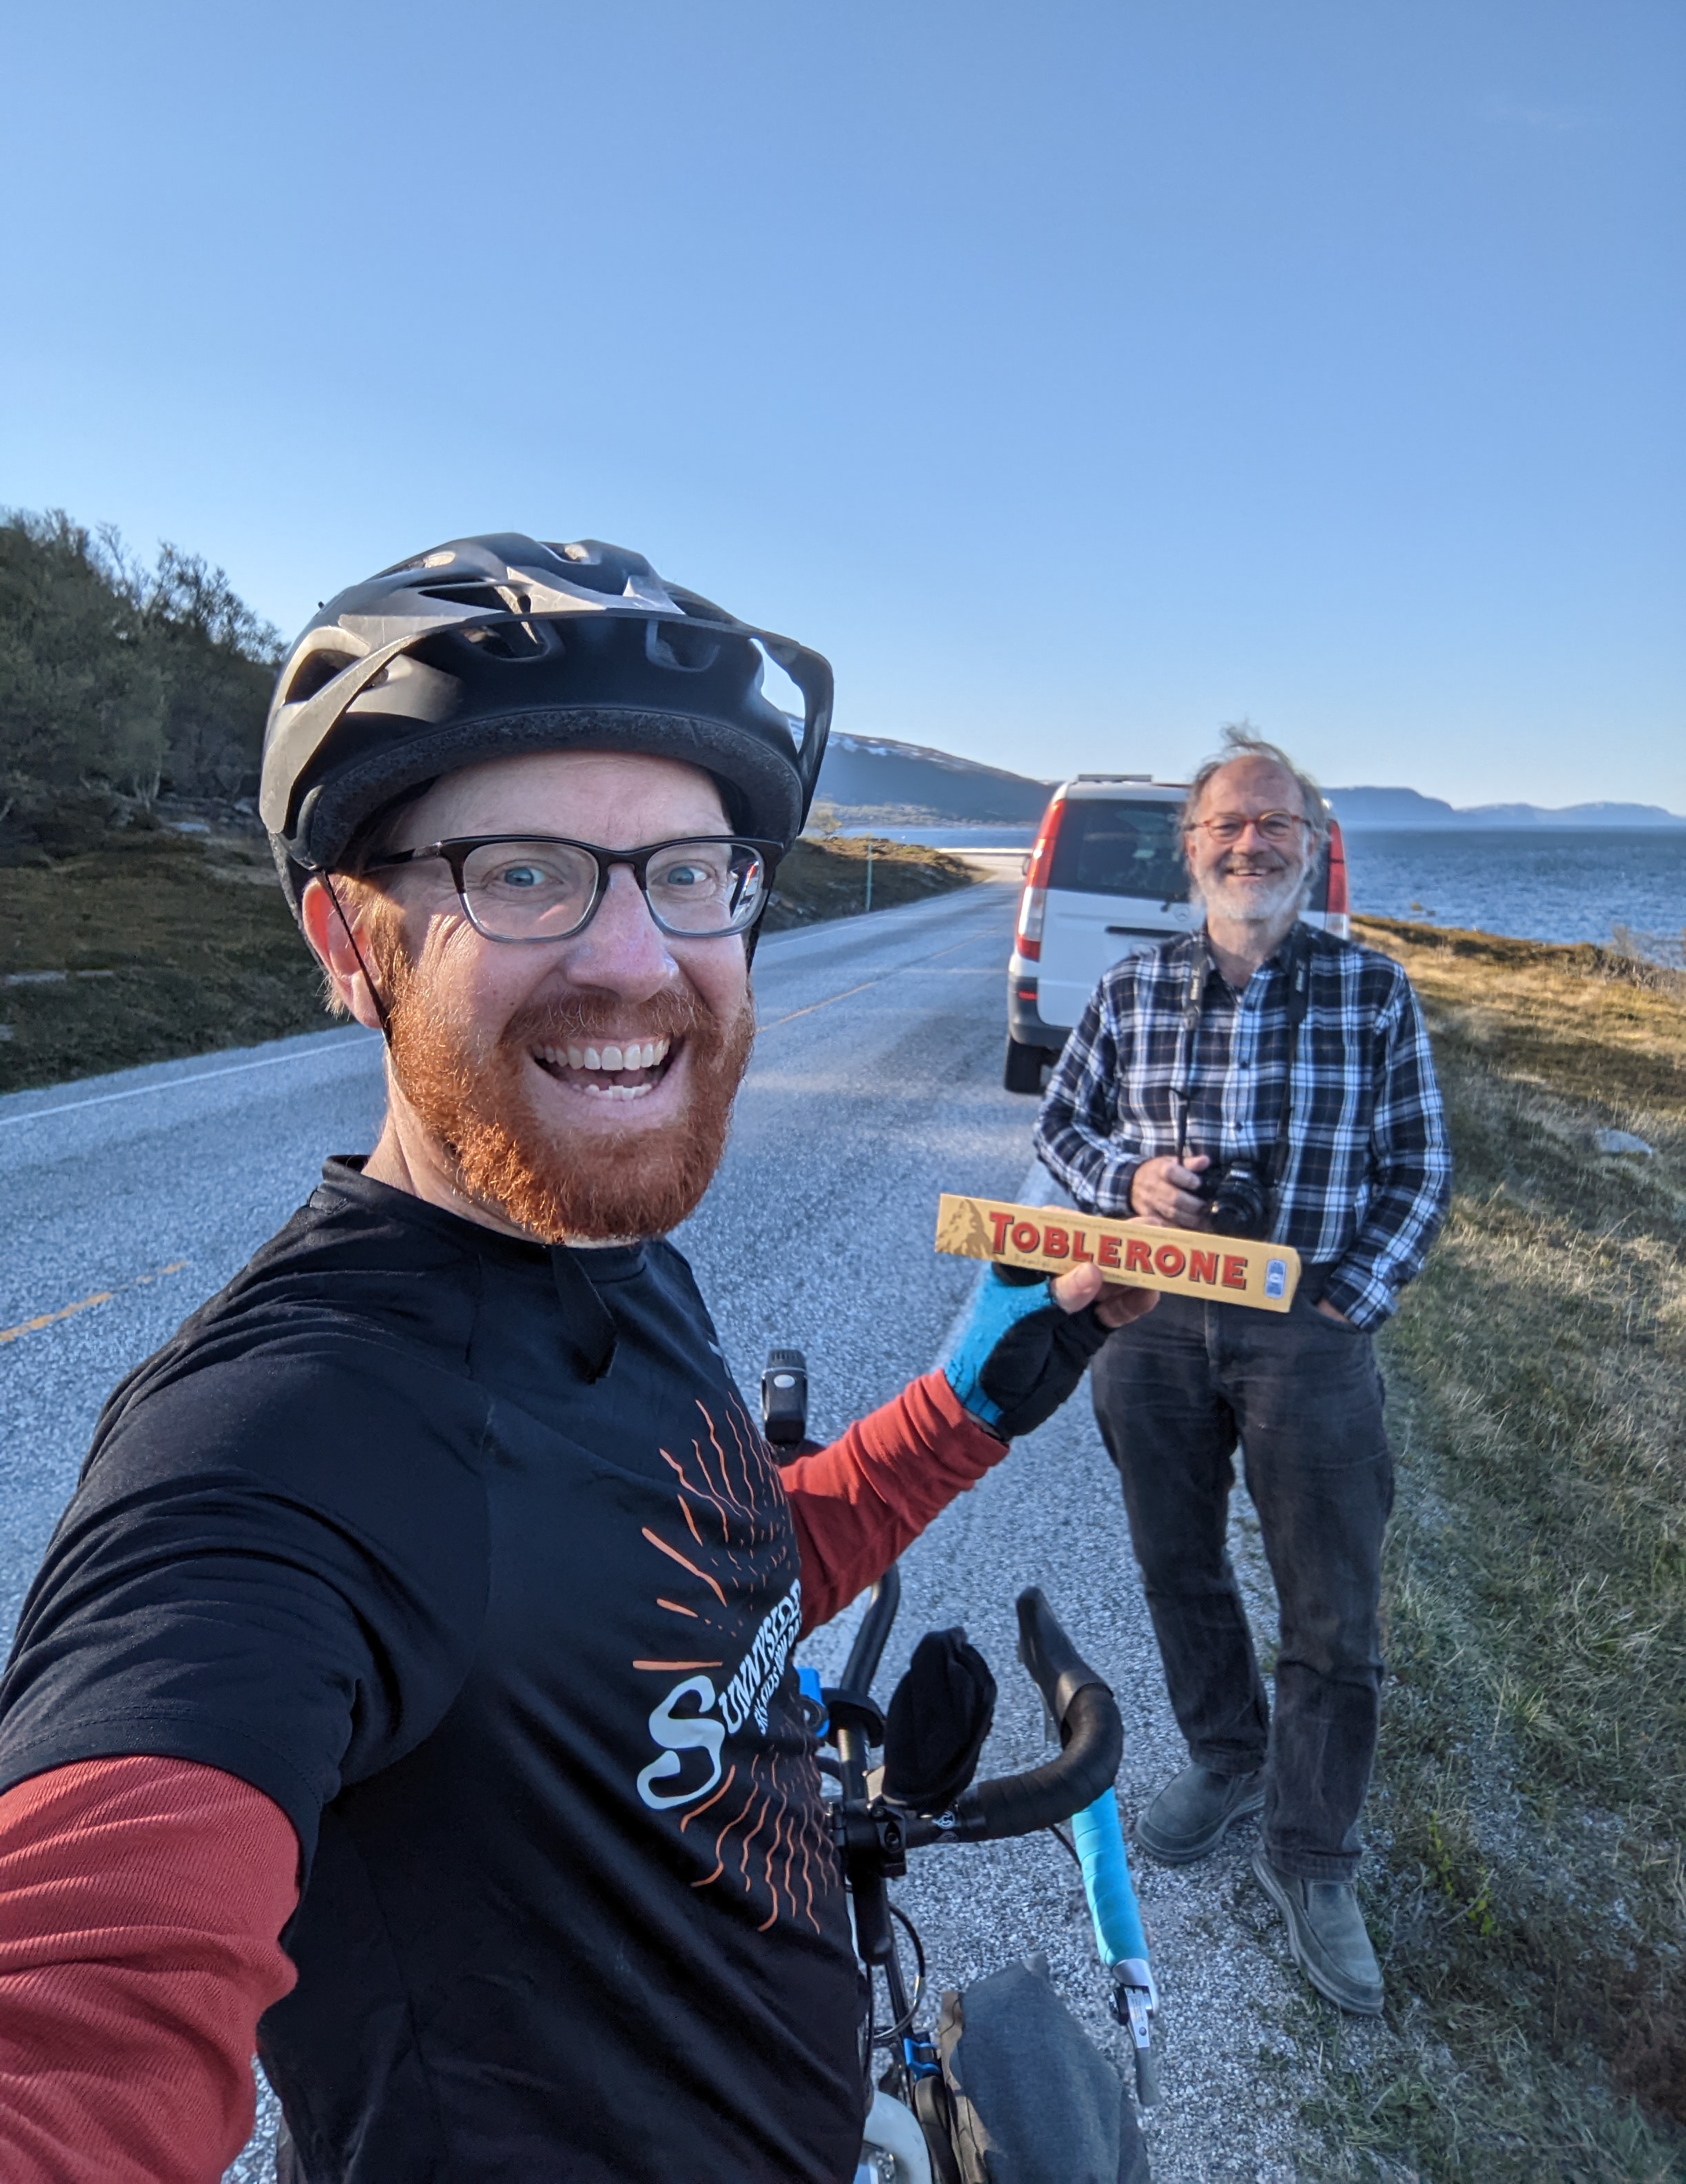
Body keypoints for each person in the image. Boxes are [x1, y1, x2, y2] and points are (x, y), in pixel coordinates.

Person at [0, 537, 1154, 2184]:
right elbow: (75, 2016)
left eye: (691, 870)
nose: (635, 961)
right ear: (349, 941)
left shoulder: (605, 1250)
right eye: (522, 873)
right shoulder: (281, 1445)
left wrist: (970, 1410)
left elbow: (705, 1589)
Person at [1034, 729, 1450, 2017]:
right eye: (1228, 825)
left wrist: (1350, 1297)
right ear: (1192, 849)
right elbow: (1062, 1127)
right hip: (1154, 1321)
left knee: (1332, 1604)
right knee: (1177, 1560)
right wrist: (1132, 1182)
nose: (1251, 843)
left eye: (1276, 823)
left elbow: (1421, 1171)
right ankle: (1229, 1759)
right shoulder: (1132, 991)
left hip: (1308, 1335)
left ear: (1311, 845)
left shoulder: (1373, 992)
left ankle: (1313, 1855)